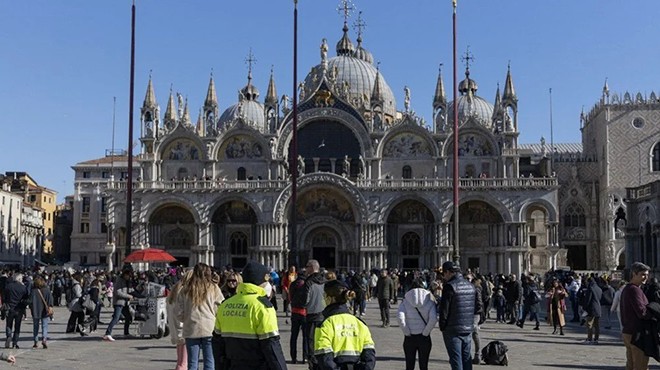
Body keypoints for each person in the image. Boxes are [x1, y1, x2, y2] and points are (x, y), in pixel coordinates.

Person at [215, 261, 287, 370]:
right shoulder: (263, 307)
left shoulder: (225, 305)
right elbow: (271, 346)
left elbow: (217, 344)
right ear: (261, 282)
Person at [314, 279, 376, 370]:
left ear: (330, 298)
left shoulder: (325, 325)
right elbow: (369, 358)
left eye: (324, 296)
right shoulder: (360, 323)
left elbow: (324, 359)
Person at [176, 263, 224, 370]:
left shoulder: (185, 289)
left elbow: (179, 310)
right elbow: (219, 307)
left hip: (191, 328)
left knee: (192, 362)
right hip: (209, 328)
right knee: (209, 361)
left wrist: (185, 319)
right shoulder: (213, 288)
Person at [438, 261, 476, 370]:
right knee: (466, 358)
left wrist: (443, 326)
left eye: (444, 273)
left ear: (449, 272)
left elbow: (444, 309)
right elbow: (477, 306)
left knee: (456, 359)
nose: (444, 276)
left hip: (453, 329)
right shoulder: (470, 285)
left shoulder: (450, 286)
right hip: (467, 328)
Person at [398, 279, 437, 370]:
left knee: (409, 365)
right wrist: (426, 332)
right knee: (424, 365)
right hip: (424, 337)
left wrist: (406, 331)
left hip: (410, 336)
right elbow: (434, 318)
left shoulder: (405, 301)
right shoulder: (430, 301)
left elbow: (400, 317)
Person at [621, 262, 651, 370]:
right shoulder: (634, 290)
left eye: (647, 275)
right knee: (640, 365)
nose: (645, 278)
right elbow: (642, 312)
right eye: (643, 274)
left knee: (631, 365)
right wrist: (653, 311)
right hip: (636, 334)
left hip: (628, 332)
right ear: (634, 274)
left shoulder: (627, 289)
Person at [303, 259, 326, 367]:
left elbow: (305, 300)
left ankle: (313, 363)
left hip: (311, 315)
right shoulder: (325, 281)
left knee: (311, 341)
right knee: (321, 340)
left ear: (312, 268)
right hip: (323, 315)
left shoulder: (309, 282)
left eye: (307, 266)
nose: (305, 269)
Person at [167, 271, 191, 370]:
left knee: (180, 361)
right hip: (183, 328)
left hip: (176, 329)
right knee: (183, 363)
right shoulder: (184, 291)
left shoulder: (175, 289)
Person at [103, 269, 134, 342]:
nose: (129, 277)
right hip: (118, 302)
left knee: (128, 317)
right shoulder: (119, 281)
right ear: (125, 275)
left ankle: (126, 332)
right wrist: (128, 296)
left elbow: (129, 290)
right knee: (116, 318)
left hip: (124, 303)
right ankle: (107, 333)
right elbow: (118, 292)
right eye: (128, 276)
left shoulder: (126, 282)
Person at [3, 273, 28, 349]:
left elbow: (5, 296)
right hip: (19, 309)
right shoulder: (23, 287)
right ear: (20, 279)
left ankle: (8, 336)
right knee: (17, 326)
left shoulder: (8, 286)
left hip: (10, 308)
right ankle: (15, 342)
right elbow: (26, 298)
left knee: (8, 324)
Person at [289, 270, 308, 364]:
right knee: (305, 336)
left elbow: (290, 296)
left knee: (294, 336)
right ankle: (305, 357)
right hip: (304, 312)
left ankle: (293, 357)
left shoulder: (293, 284)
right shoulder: (307, 284)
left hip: (295, 311)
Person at [30, 276, 52, 349]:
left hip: (35, 310)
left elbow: (30, 301)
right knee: (44, 326)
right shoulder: (47, 290)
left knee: (35, 327)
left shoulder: (33, 291)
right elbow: (50, 301)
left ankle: (36, 342)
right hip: (44, 311)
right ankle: (44, 339)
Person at [583, 276, 603, 345]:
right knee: (597, 325)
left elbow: (588, 299)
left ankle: (589, 339)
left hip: (591, 309)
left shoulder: (590, 288)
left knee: (589, 324)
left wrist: (584, 307)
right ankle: (596, 339)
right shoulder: (599, 289)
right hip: (598, 308)